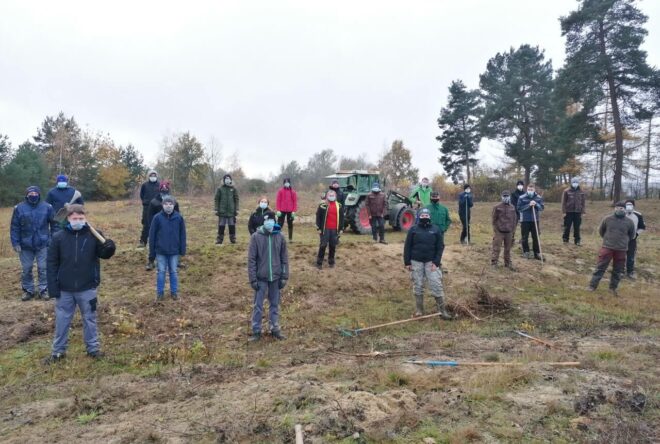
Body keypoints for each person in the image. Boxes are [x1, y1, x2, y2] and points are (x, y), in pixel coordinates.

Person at [45, 205, 116, 363]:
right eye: (75, 218)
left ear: (85, 218)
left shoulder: (93, 235)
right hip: (65, 288)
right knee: (62, 320)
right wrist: (53, 287)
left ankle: (93, 349)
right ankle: (58, 352)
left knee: (90, 319)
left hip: (87, 287)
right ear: (68, 219)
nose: (78, 221)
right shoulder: (58, 237)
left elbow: (104, 254)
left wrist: (110, 247)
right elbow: (51, 264)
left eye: (81, 218)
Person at [403, 209, 452, 319]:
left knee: (436, 284)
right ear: (419, 216)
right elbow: (407, 247)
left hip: (431, 262)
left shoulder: (436, 229)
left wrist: (436, 262)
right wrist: (407, 262)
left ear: (429, 217)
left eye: (426, 215)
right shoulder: (413, 229)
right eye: (422, 215)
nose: (424, 216)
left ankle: (442, 311)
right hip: (416, 261)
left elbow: (440, 247)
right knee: (418, 285)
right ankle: (419, 310)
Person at [248, 211, 289, 342]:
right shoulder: (256, 237)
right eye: (266, 220)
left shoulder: (280, 237)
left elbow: (284, 258)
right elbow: (251, 260)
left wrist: (284, 276)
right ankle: (256, 330)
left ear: (275, 221)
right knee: (258, 305)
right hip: (261, 278)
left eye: (271, 220)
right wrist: (253, 279)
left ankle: (274, 328)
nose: (269, 222)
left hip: (276, 278)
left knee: (274, 304)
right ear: (263, 222)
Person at [10, 186, 56, 301]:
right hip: (25, 245)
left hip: (43, 244)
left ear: (39, 194)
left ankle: (44, 290)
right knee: (26, 269)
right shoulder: (19, 208)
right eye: (31, 193)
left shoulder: (47, 207)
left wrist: (53, 240)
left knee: (43, 268)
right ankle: (28, 291)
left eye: (35, 193)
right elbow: (14, 227)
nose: (33, 194)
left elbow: (55, 224)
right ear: (26, 195)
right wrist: (15, 243)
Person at [588, 201, 635, 295]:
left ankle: (612, 288)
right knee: (600, 267)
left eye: (621, 208)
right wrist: (608, 240)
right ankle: (592, 286)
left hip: (621, 249)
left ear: (625, 209)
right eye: (617, 208)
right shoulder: (607, 219)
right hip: (607, 247)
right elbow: (601, 231)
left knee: (618, 270)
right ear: (615, 208)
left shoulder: (629, 222)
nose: (619, 210)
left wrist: (623, 242)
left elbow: (632, 235)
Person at [149, 196, 186, 301]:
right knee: (161, 272)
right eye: (166, 204)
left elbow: (182, 235)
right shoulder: (157, 218)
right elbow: (152, 236)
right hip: (161, 251)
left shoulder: (179, 218)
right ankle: (160, 294)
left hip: (174, 251)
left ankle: (174, 293)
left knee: (173, 272)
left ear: (174, 205)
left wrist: (182, 250)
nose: (168, 206)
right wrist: (152, 253)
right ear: (162, 205)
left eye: (170, 204)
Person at [146, 181, 179, 270]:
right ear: (160, 190)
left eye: (166, 189)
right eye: (162, 189)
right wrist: (151, 227)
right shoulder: (154, 202)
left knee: (173, 243)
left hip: (170, 227)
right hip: (157, 228)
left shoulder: (174, 202)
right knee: (153, 244)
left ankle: (175, 261)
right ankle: (151, 261)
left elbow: (177, 215)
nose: (164, 191)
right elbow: (149, 217)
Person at [316, 189, 344, 269]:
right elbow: (318, 217)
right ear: (327, 196)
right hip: (325, 229)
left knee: (332, 246)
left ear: (335, 196)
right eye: (330, 196)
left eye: (333, 196)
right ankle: (319, 262)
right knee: (323, 245)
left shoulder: (339, 206)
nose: (331, 197)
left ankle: (331, 262)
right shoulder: (323, 205)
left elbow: (342, 218)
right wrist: (318, 227)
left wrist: (341, 229)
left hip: (334, 229)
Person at [517, 183, 544, 260]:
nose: (530, 191)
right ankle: (526, 252)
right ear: (527, 189)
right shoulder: (522, 198)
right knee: (524, 237)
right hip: (525, 220)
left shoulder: (538, 198)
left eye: (531, 190)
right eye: (529, 190)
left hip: (535, 220)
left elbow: (541, 208)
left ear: (534, 190)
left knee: (536, 237)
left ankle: (537, 253)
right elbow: (519, 208)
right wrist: (529, 205)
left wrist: (536, 204)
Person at [491, 190, 517, 270]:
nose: (506, 198)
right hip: (499, 231)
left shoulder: (512, 207)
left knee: (508, 249)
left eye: (507, 196)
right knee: (496, 248)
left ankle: (508, 263)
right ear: (502, 197)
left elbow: (514, 220)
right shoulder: (497, 207)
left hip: (509, 231)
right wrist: (496, 230)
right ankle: (494, 263)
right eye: (504, 196)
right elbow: (493, 219)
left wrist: (513, 231)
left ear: (509, 197)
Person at [425, 191, 451, 266]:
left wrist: (444, 228)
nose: (435, 198)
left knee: (440, 247)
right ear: (430, 198)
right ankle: (429, 262)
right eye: (433, 197)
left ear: (439, 197)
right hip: (429, 233)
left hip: (440, 232)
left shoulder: (444, 209)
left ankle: (437, 262)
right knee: (429, 247)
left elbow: (448, 220)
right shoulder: (427, 208)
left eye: (436, 197)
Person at [624, 199, 646, 280]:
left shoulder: (638, 215)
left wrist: (636, 234)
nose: (628, 206)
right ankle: (620, 271)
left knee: (631, 256)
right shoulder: (621, 213)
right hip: (621, 239)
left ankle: (630, 271)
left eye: (630, 204)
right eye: (627, 204)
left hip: (632, 240)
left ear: (633, 205)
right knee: (620, 255)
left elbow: (642, 227)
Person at [215, 174, 239, 245]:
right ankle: (219, 240)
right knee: (221, 226)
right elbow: (216, 199)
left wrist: (236, 208)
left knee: (232, 225)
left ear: (231, 180)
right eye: (226, 178)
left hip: (231, 211)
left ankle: (233, 240)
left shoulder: (234, 189)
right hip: (222, 211)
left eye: (229, 178)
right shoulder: (220, 189)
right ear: (223, 180)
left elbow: (236, 199)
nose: (227, 179)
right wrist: (216, 208)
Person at [138, 169, 160, 248]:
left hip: (157, 207)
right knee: (146, 224)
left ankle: (158, 241)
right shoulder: (145, 185)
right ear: (149, 176)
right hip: (147, 207)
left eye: (154, 175)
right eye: (151, 175)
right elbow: (142, 195)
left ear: (156, 176)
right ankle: (143, 242)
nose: (153, 177)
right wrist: (145, 201)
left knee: (158, 224)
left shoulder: (159, 185)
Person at [561, 177, 586, 246]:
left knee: (577, 227)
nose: (575, 183)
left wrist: (583, 212)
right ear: (571, 183)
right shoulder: (566, 191)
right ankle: (565, 239)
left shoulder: (581, 191)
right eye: (574, 182)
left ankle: (577, 240)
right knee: (567, 226)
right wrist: (564, 212)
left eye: (576, 182)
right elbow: (563, 202)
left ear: (578, 183)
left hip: (578, 212)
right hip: (568, 212)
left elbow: (583, 202)